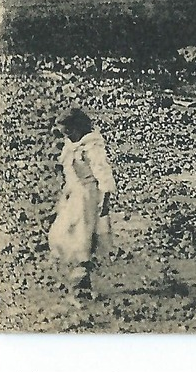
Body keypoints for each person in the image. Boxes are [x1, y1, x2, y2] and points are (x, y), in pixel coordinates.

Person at [47, 108, 117, 302]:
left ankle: (82, 283)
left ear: (77, 128)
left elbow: (103, 175)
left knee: (83, 235)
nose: (66, 136)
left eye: (68, 132)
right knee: (61, 232)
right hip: (74, 194)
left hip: (88, 196)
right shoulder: (72, 145)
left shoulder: (91, 147)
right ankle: (76, 274)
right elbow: (69, 173)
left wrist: (104, 204)